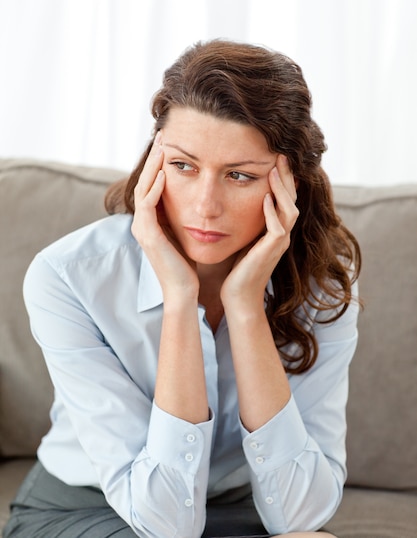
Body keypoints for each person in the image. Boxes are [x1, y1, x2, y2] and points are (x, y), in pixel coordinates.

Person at [4, 39, 360, 538]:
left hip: (242, 510)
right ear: (154, 162)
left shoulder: (321, 284)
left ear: (288, 182)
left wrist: (244, 309)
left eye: (239, 175)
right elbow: (166, 524)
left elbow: (301, 517)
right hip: (94, 506)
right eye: (184, 167)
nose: (204, 206)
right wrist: (179, 301)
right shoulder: (68, 276)